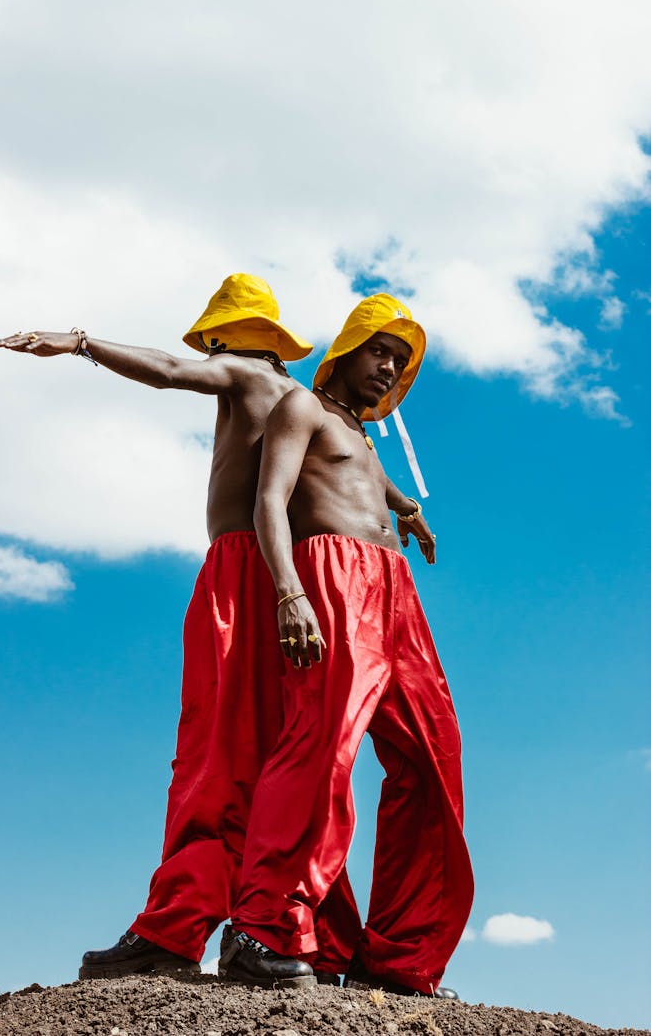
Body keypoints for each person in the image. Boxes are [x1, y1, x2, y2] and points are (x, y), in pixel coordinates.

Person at [0, 276, 433, 984]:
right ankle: (290, 924)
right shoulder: (305, 400)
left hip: (250, 569)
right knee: (285, 752)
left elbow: (168, 371)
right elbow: (343, 462)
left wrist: (80, 341)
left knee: (218, 753)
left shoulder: (246, 372)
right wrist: (399, 506)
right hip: (299, 574)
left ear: (229, 334)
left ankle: (185, 925)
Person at [219, 293, 474, 995]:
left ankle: (395, 955)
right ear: (345, 350)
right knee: (321, 749)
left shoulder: (359, 435)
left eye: (400, 360)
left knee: (432, 759)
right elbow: (270, 499)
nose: (389, 367)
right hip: (332, 578)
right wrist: (288, 590)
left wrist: (409, 511)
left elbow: (371, 480)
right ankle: (262, 927)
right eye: (379, 352)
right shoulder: (299, 407)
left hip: (396, 592)